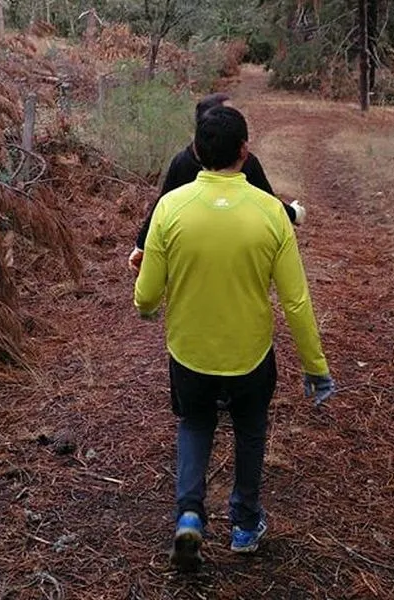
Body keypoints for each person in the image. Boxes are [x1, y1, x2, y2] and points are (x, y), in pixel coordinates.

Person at [133, 105, 335, 572]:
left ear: (198, 151)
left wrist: (144, 309)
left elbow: (146, 294)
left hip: (189, 352)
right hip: (250, 357)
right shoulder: (271, 214)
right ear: (245, 152)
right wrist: (315, 367)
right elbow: (297, 302)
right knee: (249, 431)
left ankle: (188, 515)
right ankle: (244, 526)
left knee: (195, 424)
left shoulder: (170, 208)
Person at [127, 92, 304, 273]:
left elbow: (268, 200)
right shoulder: (244, 161)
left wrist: (141, 246)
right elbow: (270, 203)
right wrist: (294, 214)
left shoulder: (183, 161)